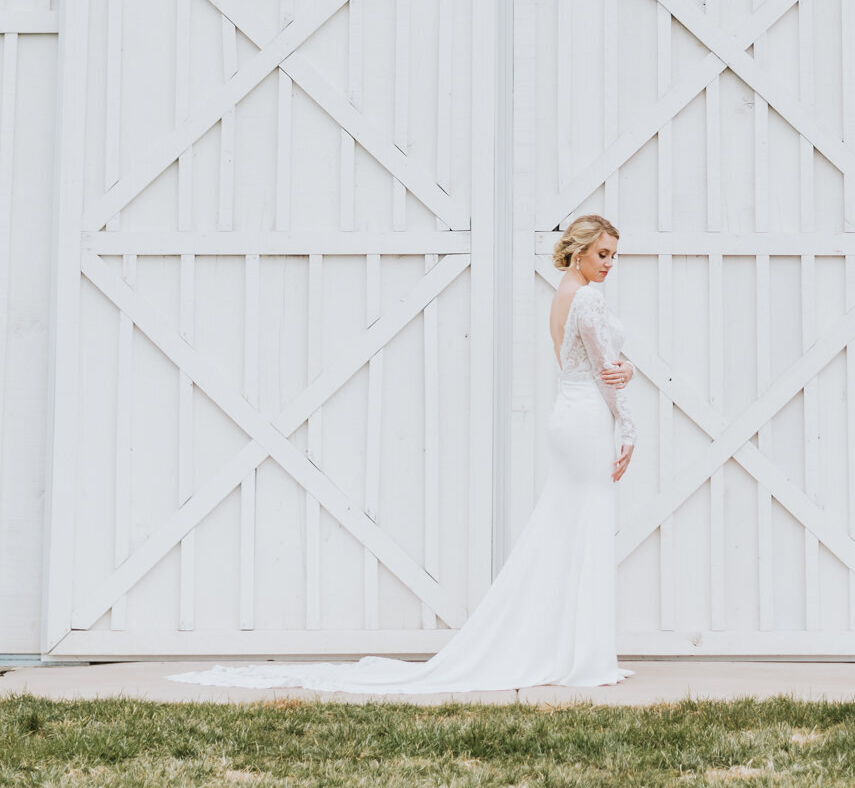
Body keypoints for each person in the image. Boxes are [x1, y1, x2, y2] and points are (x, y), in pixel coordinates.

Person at [175, 214, 635, 694]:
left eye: (613, 256)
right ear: (579, 250)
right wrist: (629, 428)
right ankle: (582, 657)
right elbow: (608, 372)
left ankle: (567, 650)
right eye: (602, 254)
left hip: (568, 414)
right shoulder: (586, 298)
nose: (608, 264)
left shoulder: (563, 293)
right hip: (586, 424)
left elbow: (582, 366)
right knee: (586, 528)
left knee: (566, 530)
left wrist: (625, 373)